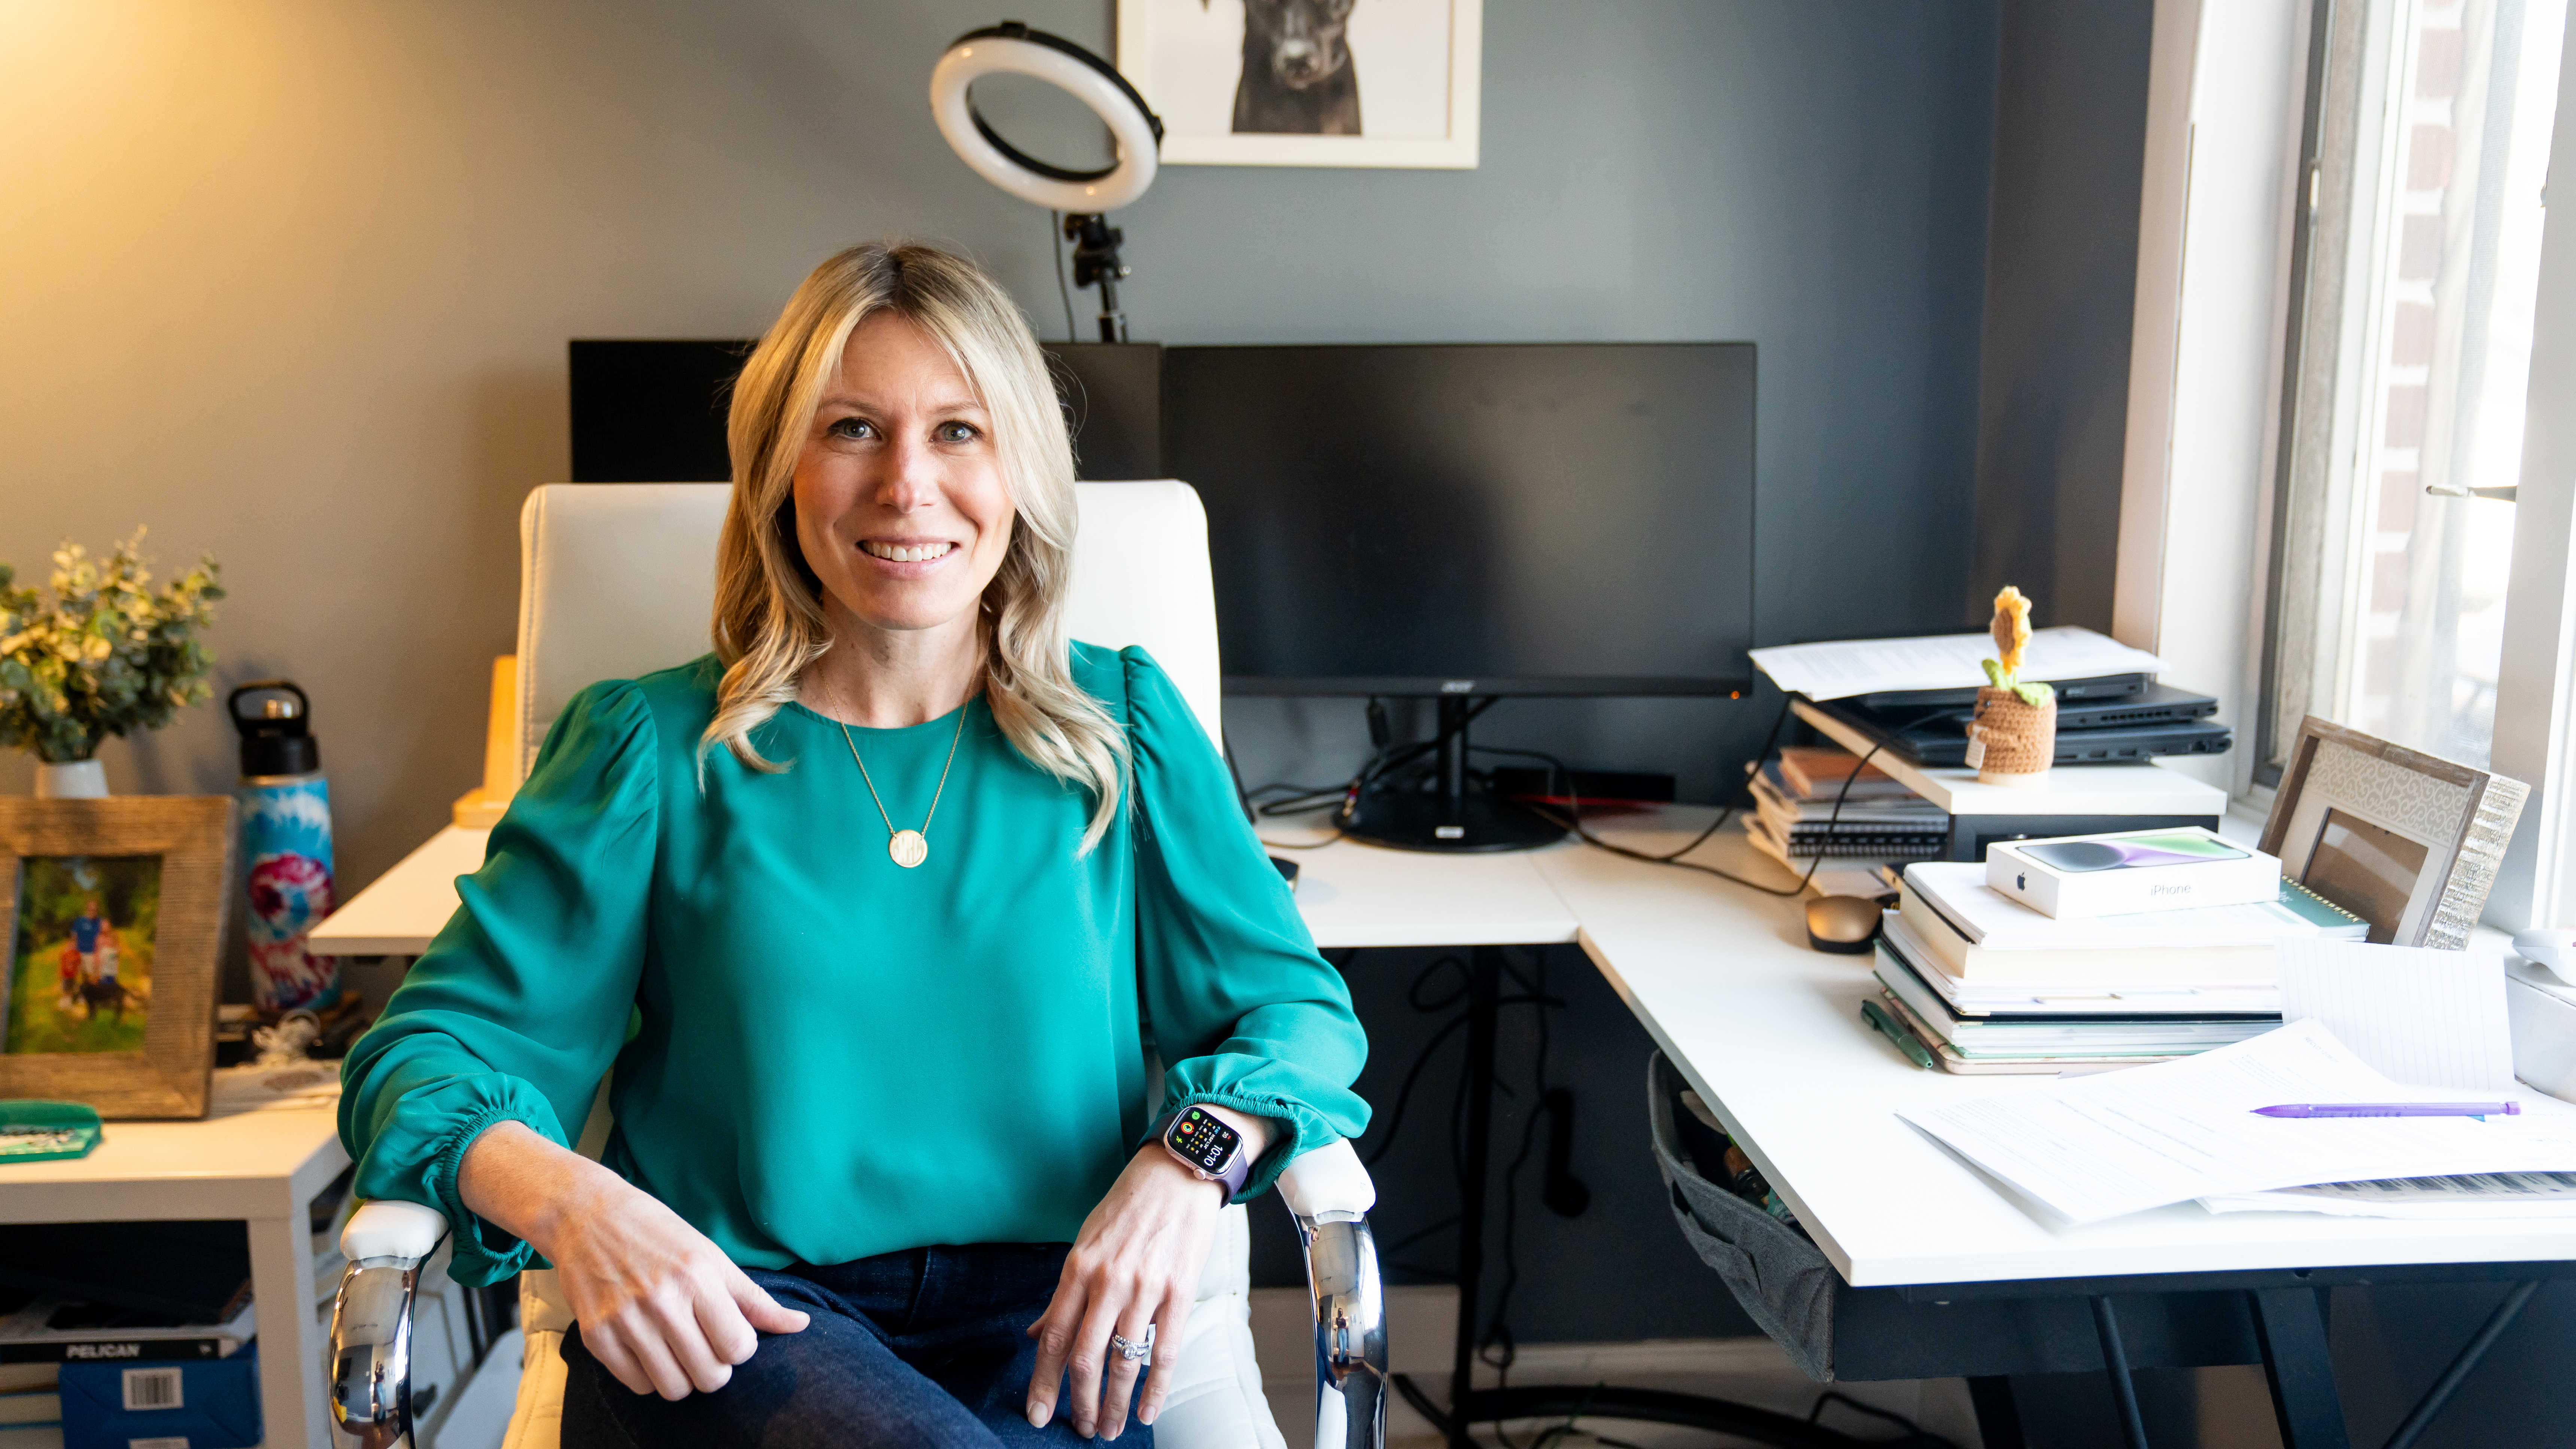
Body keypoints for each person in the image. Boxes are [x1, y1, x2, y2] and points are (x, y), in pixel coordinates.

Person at [340, 242, 1369, 1449]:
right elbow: (424, 1056)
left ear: (1021, 469)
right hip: (737, 1329)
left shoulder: (1125, 735)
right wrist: (573, 1204)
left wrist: (1188, 1160)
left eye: (958, 433)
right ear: (780, 470)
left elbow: (1296, 1014)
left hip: (1049, 1339)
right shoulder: (651, 751)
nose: (906, 487)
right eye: (850, 431)